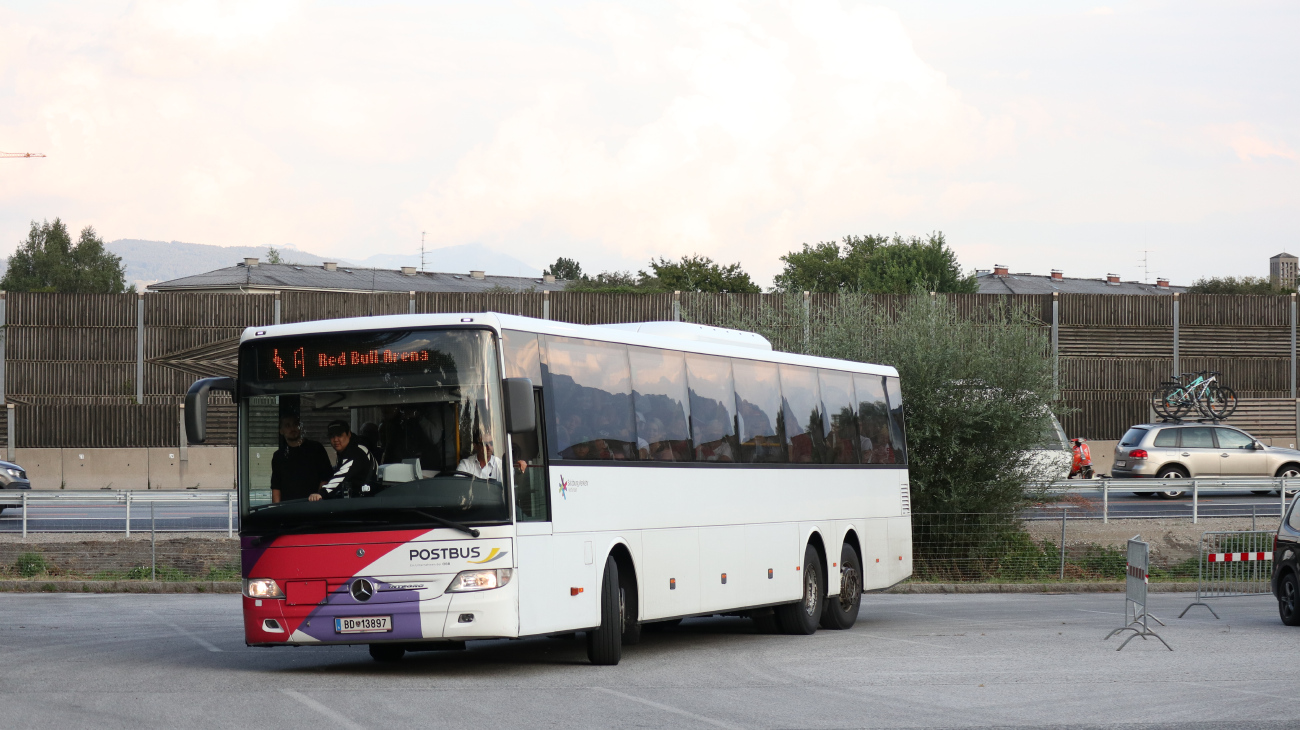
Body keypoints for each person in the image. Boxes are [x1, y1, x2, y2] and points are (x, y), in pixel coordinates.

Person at [270, 414, 332, 503]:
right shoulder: (278, 456)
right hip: (287, 508)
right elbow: (276, 487)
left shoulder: (316, 448)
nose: (292, 428)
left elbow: (325, 478)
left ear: (300, 427)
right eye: (287, 425)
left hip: (312, 505)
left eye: (295, 424)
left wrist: (319, 499)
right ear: (281, 431)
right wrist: (277, 509)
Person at [309, 421, 377, 500]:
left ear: (349, 434)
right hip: (361, 500)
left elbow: (341, 475)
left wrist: (322, 493)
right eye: (332, 436)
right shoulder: (348, 451)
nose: (335, 439)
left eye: (339, 435)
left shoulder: (356, 451)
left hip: (368, 501)